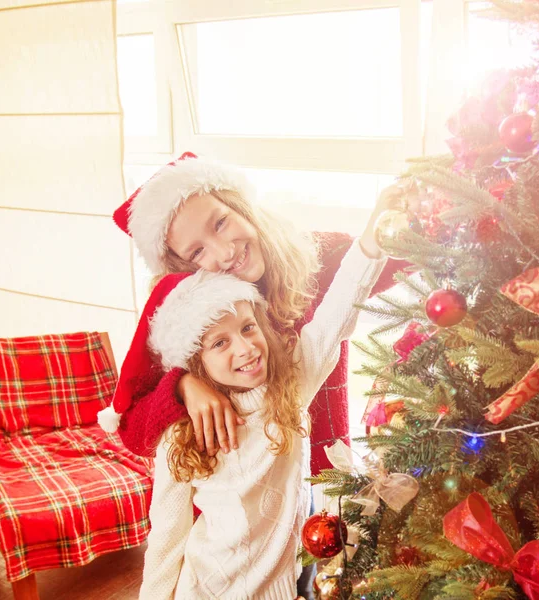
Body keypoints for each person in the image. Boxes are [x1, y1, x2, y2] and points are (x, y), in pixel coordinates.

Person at [109, 152, 408, 597]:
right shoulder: (185, 312)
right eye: (197, 252)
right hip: (213, 573)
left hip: (312, 508)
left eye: (221, 223)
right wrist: (181, 387)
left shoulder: (294, 375)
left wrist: (396, 216)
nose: (225, 252)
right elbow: (164, 540)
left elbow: (353, 288)